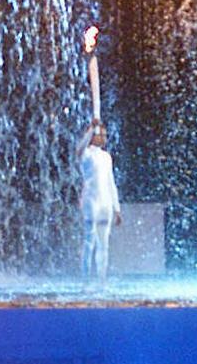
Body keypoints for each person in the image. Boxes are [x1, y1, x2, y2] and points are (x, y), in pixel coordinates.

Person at [77, 116, 121, 280]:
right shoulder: (86, 155)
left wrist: (116, 208)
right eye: (100, 135)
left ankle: (102, 280)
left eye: (105, 135)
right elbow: (79, 150)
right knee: (89, 242)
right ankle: (86, 280)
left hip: (105, 203)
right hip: (90, 201)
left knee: (104, 245)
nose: (103, 138)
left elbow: (111, 183)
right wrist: (89, 131)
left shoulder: (106, 157)